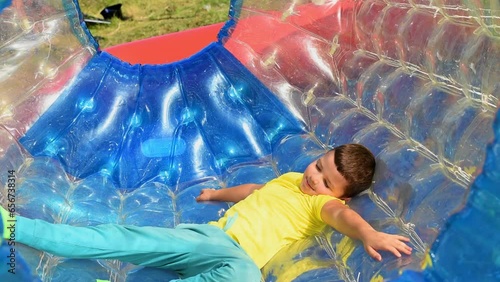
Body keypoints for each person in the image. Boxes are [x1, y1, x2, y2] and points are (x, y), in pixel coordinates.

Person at [1, 144, 412, 281]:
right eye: (318, 165)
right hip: (212, 237)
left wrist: (369, 235)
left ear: (338, 195)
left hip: (239, 261)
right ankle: (13, 224)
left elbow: (345, 220)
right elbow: (254, 190)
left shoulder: (324, 205)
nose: (314, 177)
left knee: (247, 278)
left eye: (325, 180)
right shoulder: (289, 178)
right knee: (124, 239)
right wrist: (216, 194)